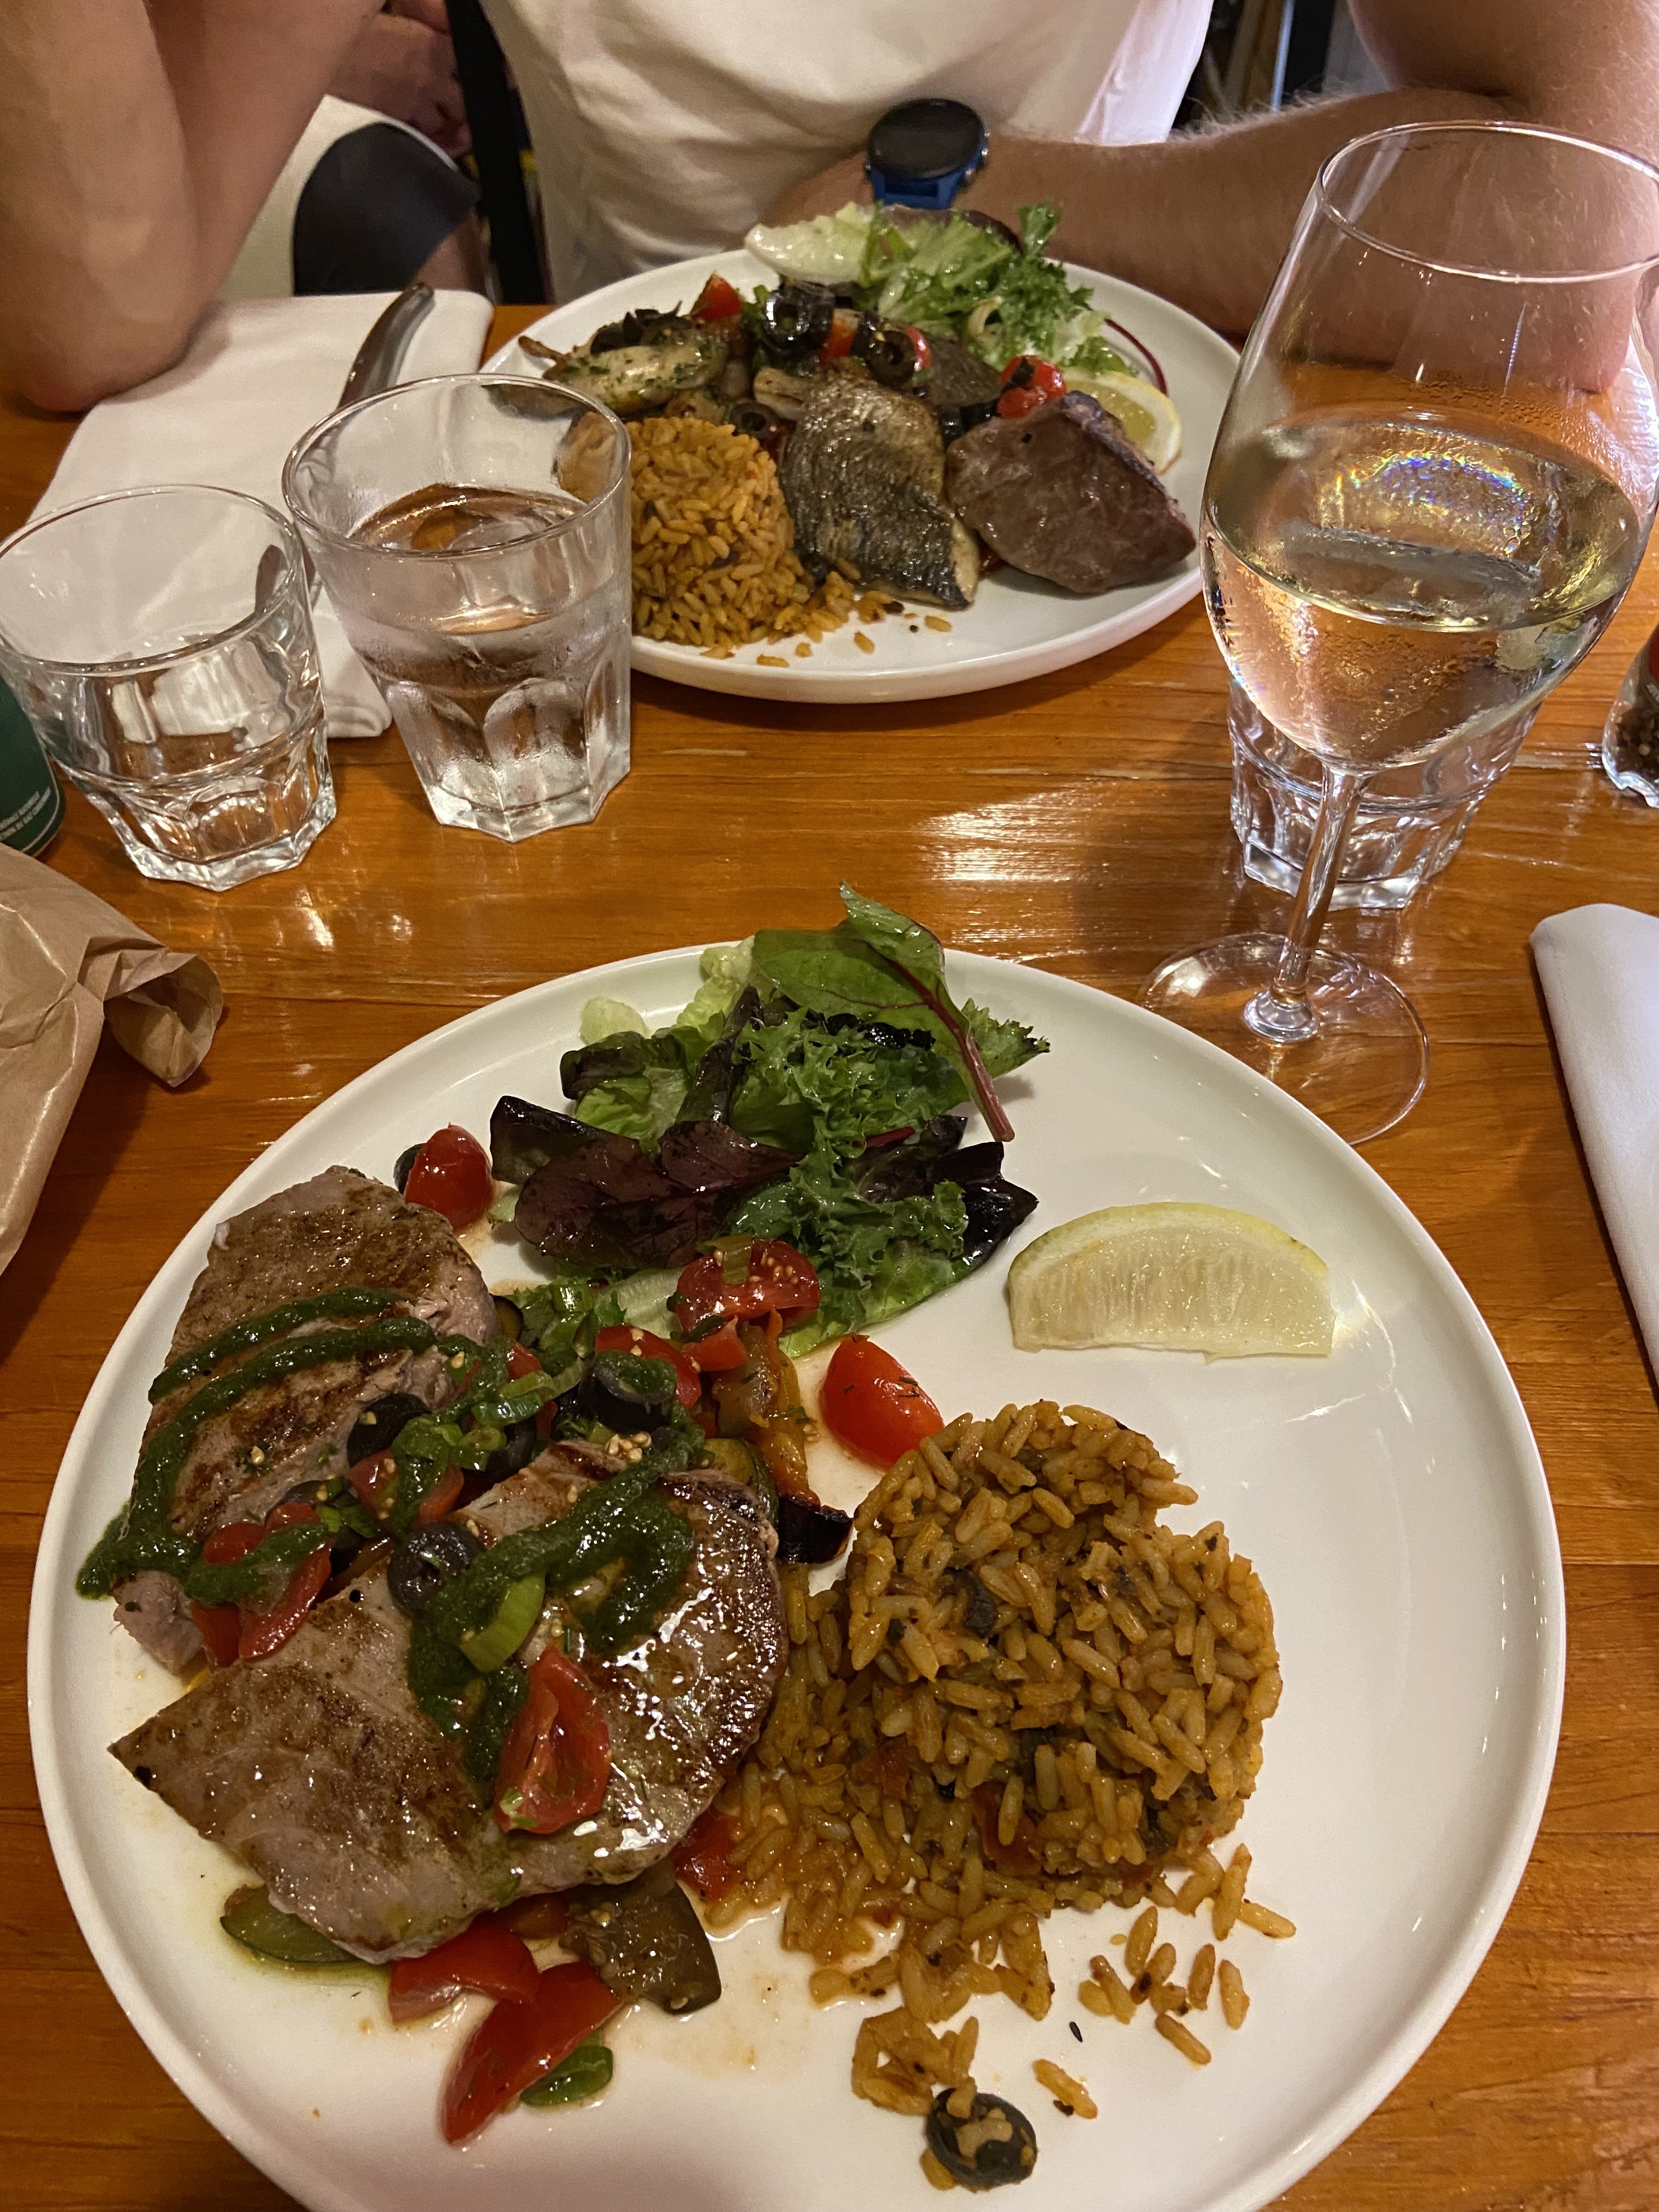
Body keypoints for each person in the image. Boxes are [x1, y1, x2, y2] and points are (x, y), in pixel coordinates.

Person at [3, 1, 1656, 409]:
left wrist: (975, 202)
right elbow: (95, 309)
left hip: (1108, 370)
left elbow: (1582, 231)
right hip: (611, 424)